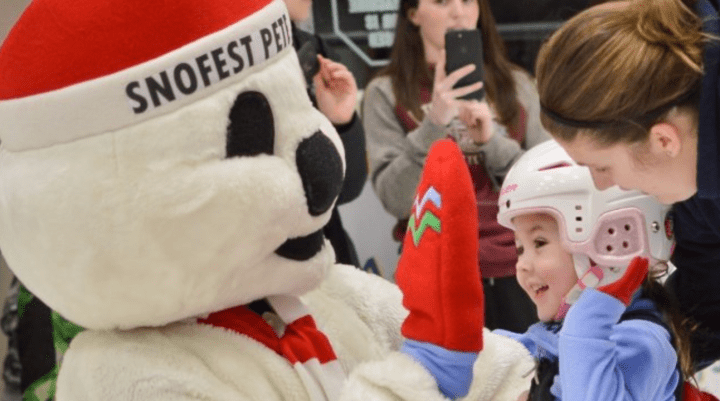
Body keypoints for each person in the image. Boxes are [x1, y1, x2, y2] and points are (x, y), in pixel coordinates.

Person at [533, 0, 720, 369]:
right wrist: (607, 366)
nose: (603, 185)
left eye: (602, 167)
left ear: (663, 140)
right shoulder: (694, 191)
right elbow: (708, 294)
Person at [362, 0, 548, 331]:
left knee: (527, 364)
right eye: (442, 1)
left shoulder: (517, 84)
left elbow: (546, 186)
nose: (458, 12)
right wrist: (433, 124)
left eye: (467, 1)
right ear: (413, 13)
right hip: (435, 269)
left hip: (519, 267)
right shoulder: (386, 92)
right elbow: (396, 199)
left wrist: (492, 142)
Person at [495, 140, 713, 401]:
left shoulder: (642, 344)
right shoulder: (552, 335)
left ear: (611, 243)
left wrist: (589, 318)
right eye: (520, 248)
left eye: (539, 243)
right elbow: (502, 358)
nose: (521, 264)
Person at [284, 0, 367, 267]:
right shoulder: (220, 55)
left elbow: (348, 188)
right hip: (264, 267)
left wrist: (342, 124)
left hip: (329, 256)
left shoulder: (312, 48)